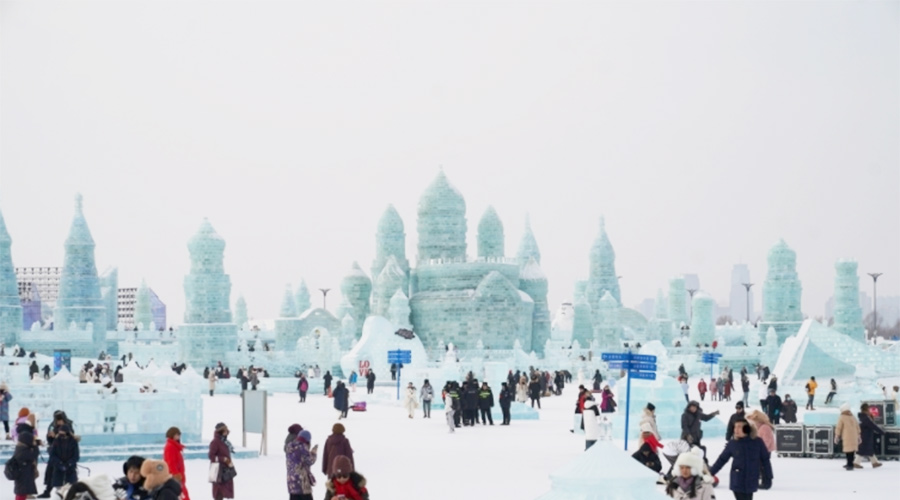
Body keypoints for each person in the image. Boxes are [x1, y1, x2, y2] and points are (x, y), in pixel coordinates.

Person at [709, 419, 773, 500]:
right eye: (735, 427)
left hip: (752, 479)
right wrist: (710, 473)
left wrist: (768, 477)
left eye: (739, 427)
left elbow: (765, 460)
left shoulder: (757, 442)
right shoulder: (733, 443)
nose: (736, 430)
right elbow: (722, 460)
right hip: (737, 480)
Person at [285, 429, 318, 500]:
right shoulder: (302, 447)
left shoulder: (289, 446)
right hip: (302, 481)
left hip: (291, 481)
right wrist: (313, 453)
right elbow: (310, 461)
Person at [47, 424, 80, 493]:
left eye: (62, 433)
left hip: (70, 469)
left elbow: (76, 456)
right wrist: (59, 463)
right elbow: (52, 455)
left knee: (70, 488)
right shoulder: (56, 441)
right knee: (58, 489)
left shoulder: (73, 442)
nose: (61, 435)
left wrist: (69, 463)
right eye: (60, 433)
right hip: (58, 468)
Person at [12, 425, 40, 500]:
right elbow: (34, 455)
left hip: (24, 475)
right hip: (23, 475)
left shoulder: (21, 448)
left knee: (22, 494)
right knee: (21, 494)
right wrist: (35, 446)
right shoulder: (23, 451)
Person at [208, 423, 235, 500]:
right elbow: (211, 456)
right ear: (220, 431)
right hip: (218, 471)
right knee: (219, 492)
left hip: (226, 470)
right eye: (224, 430)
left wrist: (229, 462)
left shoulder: (225, 442)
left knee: (224, 491)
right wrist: (223, 459)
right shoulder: (215, 442)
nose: (226, 432)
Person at [162, 427, 189, 500]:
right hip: (175, 476)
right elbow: (170, 462)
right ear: (172, 435)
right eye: (177, 434)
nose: (179, 436)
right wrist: (176, 474)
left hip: (177, 475)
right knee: (181, 495)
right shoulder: (170, 447)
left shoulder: (174, 446)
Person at [855, 403, 884, 469]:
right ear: (866, 409)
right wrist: (882, 432)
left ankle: (874, 463)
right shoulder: (865, 418)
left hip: (864, 435)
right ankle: (856, 463)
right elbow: (873, 426)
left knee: (869, 450)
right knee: (862, 450)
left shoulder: (862, 417)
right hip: (866, 436)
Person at [835, 403, 860, 471]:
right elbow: (857, 426)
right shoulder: (852, 416)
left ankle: (850, 464)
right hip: (854, 436)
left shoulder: (842, 417)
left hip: (847, 436)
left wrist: (837, 435)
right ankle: (850, 463)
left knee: (848, 451)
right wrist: (859, 435)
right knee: (852, 451)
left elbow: (839, 427)